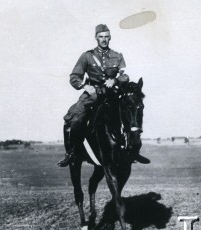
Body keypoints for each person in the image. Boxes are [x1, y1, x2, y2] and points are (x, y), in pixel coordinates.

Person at [56, 24, 150, 167]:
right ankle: (72, 153)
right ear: (96, 38)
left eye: (106, 37)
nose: (104, 40)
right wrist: (84, 86)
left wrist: (115, 80)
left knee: (131, 114)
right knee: (75, 117)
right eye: (101, 37)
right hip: (92, 95)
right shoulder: (87, 56)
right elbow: (74, 76)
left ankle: (133, 150)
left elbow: (125, 76)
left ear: (110, 38)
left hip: (112, 95)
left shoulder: (117, 56)